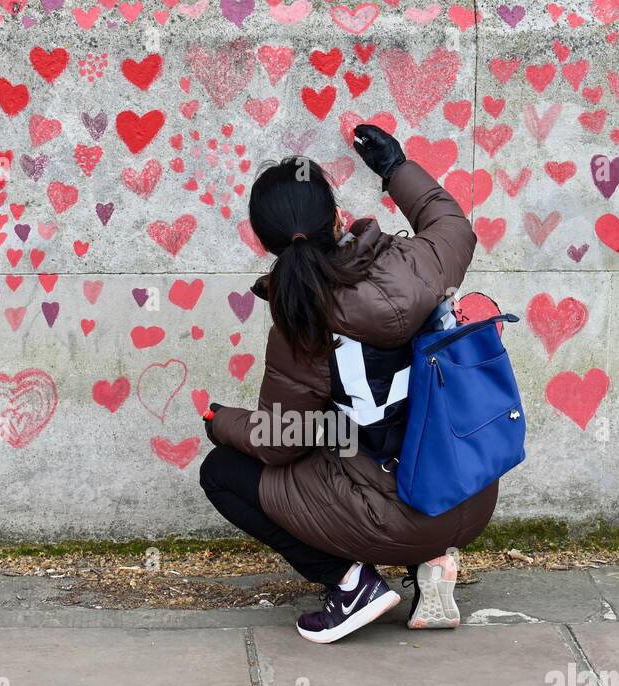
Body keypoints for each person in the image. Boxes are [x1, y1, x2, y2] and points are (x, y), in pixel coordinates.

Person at [199, 125, 498, 643]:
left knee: (224, 470)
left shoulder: (302, 324)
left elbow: (278, 440)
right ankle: (432, 563)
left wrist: (222, 423)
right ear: (338, 216)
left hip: (394, 514)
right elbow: (451, 222)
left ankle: (350, 584)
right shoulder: (421, 263)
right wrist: (394, 165)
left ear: (262, 244)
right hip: (470, 492)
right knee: (353, 429)